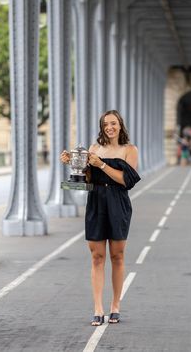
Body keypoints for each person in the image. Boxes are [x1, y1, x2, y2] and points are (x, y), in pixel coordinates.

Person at [60, 110, 140, 326]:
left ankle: (115, 305)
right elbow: (88, 177)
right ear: (102, 126)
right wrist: (73, 163)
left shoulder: (130, 150)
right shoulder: (94, 149)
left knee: (117, 256)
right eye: (106, 124)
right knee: (97, 257)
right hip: (96, 201)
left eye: (113, 123)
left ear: (120, 125)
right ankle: (98, 307)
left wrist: (102, 165)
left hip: (118, 203)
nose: (109, 127)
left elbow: (127, 181)